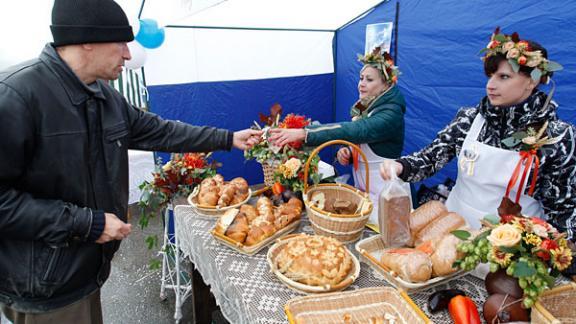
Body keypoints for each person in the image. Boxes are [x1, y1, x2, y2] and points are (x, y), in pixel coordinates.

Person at [0, 0, 261, 322]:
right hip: (45, 281)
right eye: (121, 43)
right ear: (86, 41)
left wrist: (226, 138)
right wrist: (87, 223)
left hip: (83, 268)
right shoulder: (15, 96)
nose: (127, 54)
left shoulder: (104, 96)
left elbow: (159, 131)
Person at [380, 28, 576, 244]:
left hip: (511, 251)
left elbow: (563, 206)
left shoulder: (557, 136)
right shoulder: (469, 119)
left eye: (504, 77)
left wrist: (564, 255)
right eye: (490, 76)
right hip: (452, 238)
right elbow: (431, 157)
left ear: (532, 81)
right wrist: (401, 167)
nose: (490, 85)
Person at [269, 47, 406, 225]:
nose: (361, 84)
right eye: (361, 78)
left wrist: (304, 133)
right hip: (365, 191)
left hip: (386, 193)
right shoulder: (368, 106)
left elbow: (356, 130)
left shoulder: (391, 114)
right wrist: (348, 152)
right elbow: (364, 141)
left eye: (369, 80)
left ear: (386, 85)